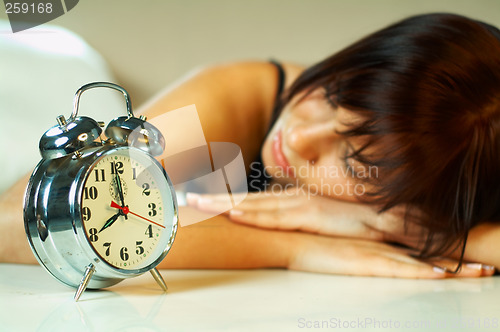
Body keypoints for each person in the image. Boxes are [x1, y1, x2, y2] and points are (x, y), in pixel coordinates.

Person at [1, 13, 499, 278]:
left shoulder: (451, 161)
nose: (299, 136)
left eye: (353, 161)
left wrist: (406, 228)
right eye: (334, 92)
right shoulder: (242, 102)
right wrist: (294, 247)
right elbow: (22, 222)